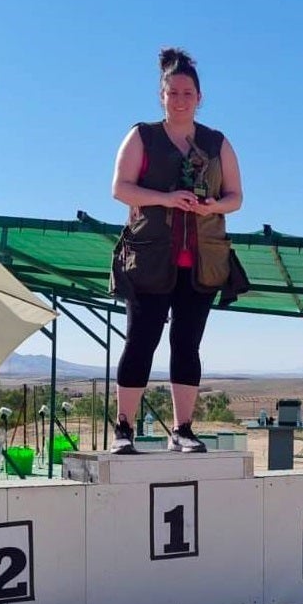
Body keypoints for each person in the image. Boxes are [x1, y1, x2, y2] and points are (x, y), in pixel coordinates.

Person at [109, 48, 244, 454]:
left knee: (187, 343)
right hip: (151, 259)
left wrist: (212, 206)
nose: (181, 99)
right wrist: (167, 199)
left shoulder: (217, 142)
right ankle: (124, 429)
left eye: (188, 93)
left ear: (199, 97)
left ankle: (183, 429)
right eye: (173, 92)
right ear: (161, 95)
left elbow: (235, 197)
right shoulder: (142, 136)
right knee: (141, 340)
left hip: (201, 261)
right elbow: (121, 189)